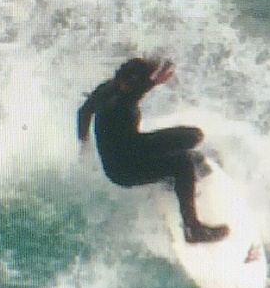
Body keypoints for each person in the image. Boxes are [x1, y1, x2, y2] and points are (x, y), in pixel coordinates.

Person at [77, 56, 229, 244]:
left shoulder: (107, 89)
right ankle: (192, 229)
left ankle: (172, 180)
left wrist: (84, 144)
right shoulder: (119, 105)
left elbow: (83, 112)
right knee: (183, 163)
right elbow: (128, 98)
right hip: (124, 170)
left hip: (132, 148)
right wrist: (152, 82)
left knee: (193, 137)